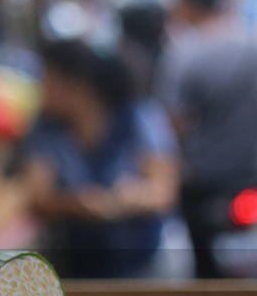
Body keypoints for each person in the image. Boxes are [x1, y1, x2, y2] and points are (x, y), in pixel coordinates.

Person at [22, 39, 180, 278]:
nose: (41, 89)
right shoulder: (46, 129)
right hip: (80, 265)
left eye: (47, 80)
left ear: (76, 86)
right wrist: (77, 204)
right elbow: (37, 197)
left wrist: (132, 196)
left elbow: (163, 190)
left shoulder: (139, 117)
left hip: (145, 259)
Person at [158, 0, 257, 278]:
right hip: (248, 174)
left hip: (200, 180)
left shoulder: (182, 54)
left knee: (203, 264)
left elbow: (175, 123)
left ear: (188, 2)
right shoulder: (253, 46)